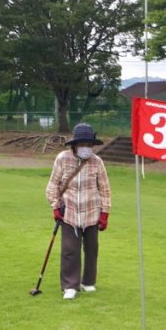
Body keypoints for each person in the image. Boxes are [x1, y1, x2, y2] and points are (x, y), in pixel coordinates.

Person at [45, 123, 111, 300]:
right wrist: (55, 207)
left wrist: (104, 213)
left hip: (92, 212)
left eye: (89, 145)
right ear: (74, 144)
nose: (86, 148)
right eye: (83, 144)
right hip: (69, 211)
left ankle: (88, 281)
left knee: (91, 249)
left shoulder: (97, 162)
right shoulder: (62, 159)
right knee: (69, 249)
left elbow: (105, 189)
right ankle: (70, 285)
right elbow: (52, 186)